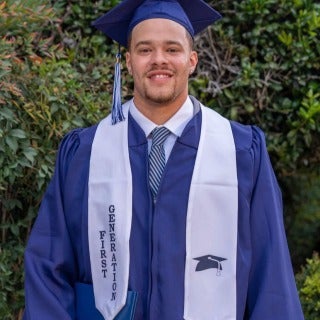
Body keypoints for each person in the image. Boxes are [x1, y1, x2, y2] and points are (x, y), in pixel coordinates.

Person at [23, 0, 304, 319]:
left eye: (172, 49)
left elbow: (271, 277)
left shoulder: (240, 151)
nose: (159, 60)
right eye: (145, 50)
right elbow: (48, 268)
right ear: (128, 62)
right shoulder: (85, 153)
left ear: (192, 60)